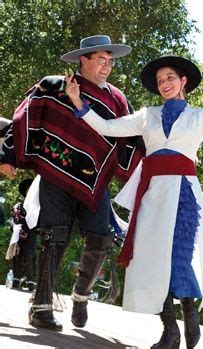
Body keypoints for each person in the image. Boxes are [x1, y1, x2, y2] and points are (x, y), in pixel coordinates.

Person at [66, 54, 203, 349]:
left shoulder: (200, 116)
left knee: (177, 256)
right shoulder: (146, 115)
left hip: (182, 194)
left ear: (183, 81)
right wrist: (77, 101)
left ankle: (189, 315)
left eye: (170, 78)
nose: (164, 83)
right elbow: (106, 126)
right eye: (160, 80)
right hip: (151, 195)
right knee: (152, 260)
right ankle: (170, 330)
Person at [2, 35, 144, 331]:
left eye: (110, 61)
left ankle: (80, 295)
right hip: (55, 173)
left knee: (101, 237)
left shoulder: (117, 99)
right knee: (54, 236)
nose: (107, 66)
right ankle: (41, 308)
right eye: (101, 60)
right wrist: (8, 155)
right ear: (85, 59)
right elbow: (23, 116)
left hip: (95, 182)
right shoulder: (54, 86)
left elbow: (132, 136)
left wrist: (156, 166)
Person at [6, 178, 37, 292]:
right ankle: (16, 279)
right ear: (25, 191)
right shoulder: (18, 206)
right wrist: (13, 226)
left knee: (29, 256)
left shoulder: (36, 207)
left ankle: (30, 281)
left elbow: (39, 222)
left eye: (32, 189)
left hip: (31, 234)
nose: (30, 191)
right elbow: (11, 219)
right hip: (17, 234)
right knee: (16, 255)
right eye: (28, 189)